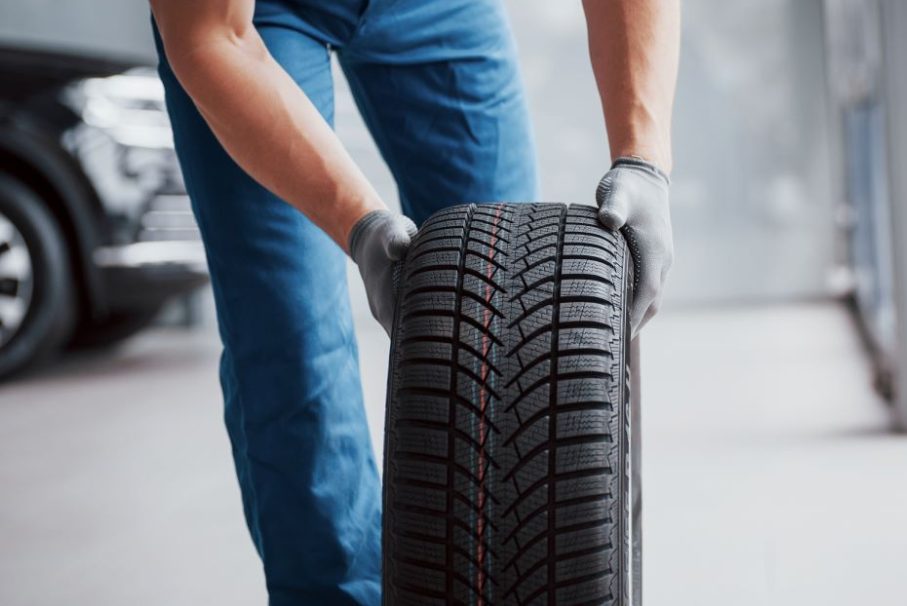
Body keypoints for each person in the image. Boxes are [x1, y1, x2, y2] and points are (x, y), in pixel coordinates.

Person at [149, 0, 678, 603]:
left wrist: (643, 161)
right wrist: (359, 224)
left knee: (515, 336)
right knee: (294, 345)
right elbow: (212, 37)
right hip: (251, 18)